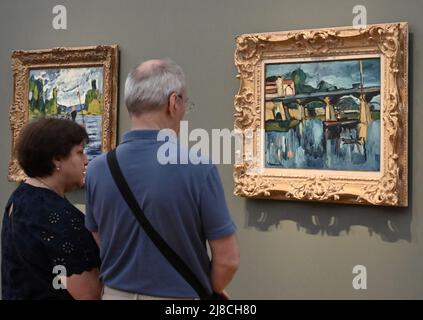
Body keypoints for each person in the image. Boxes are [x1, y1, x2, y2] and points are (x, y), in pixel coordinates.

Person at [85, 59, 240, 300]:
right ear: (173, 103)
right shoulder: (198, 167)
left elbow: (101, 239)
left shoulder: (97, 168)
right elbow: (228, 261)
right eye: (185, 103)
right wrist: (212, 288)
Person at [1, 118, 102, 300]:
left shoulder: (20, 197)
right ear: (57, 159)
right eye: (80, 153)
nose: (86, 160)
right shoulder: (57, 215)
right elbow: (89, 293)